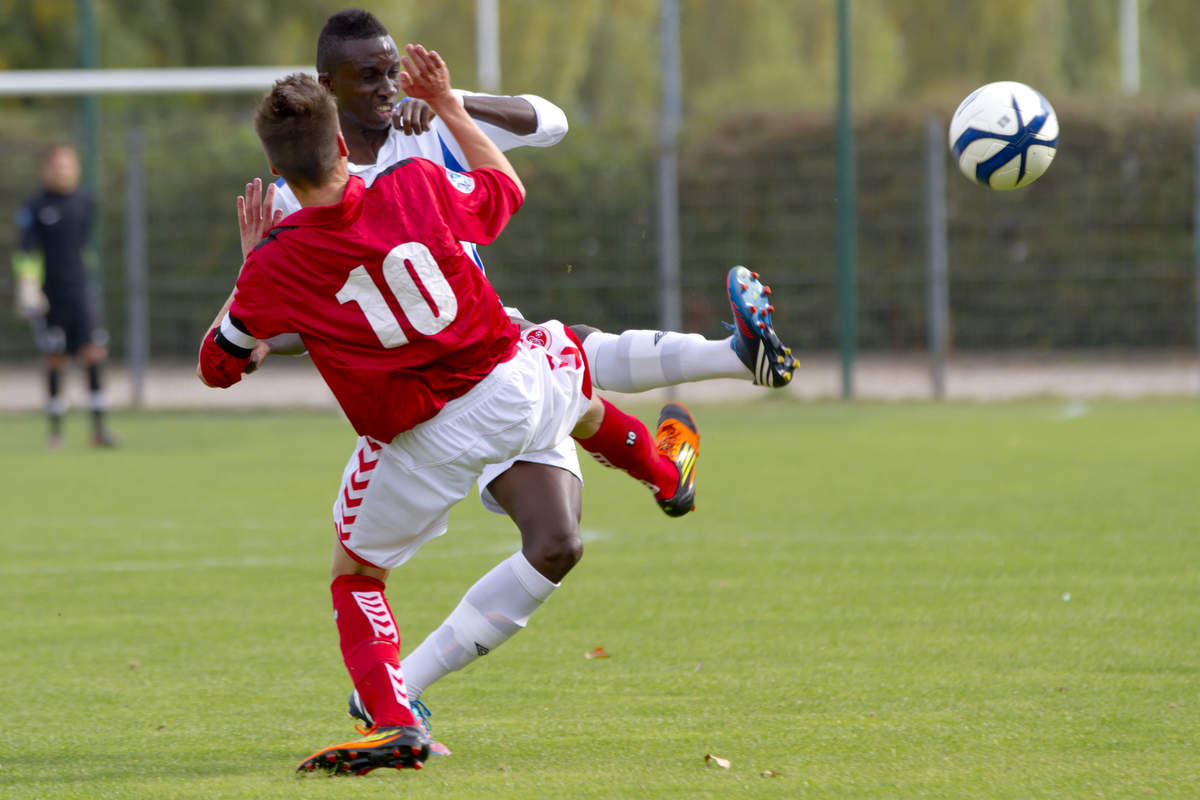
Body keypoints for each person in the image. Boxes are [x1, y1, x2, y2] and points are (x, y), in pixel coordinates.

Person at [238, 8, 783, 746]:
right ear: (328, 88)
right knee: (571, 356)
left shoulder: (425, 129)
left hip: (486, 362)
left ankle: (698, 421)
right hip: (426, 407)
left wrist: (447, 102)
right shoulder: (295, 188)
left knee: (559, 538)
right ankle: (710, 397)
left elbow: (551, 122)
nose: (386, 82)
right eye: (368, 74)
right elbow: (286, 330)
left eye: (391, 66)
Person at [12, 144, 117, 449]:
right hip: (51, 296)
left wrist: (88, 279)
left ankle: (99, 430)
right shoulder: (34, 207)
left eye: (68, 165)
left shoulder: (85, 203)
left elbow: (85, 249)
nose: (63, 171)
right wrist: (28, 285)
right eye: (57, 166)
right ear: (47, 169)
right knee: (55, 358)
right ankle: (55, 433)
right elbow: (26, 252)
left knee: (94, 353)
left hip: (81, 292)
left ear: (76, 169)